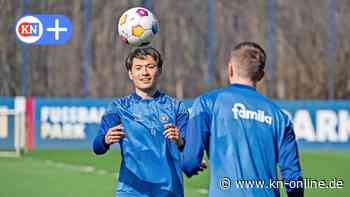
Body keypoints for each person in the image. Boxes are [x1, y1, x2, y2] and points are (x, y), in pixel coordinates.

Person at [182, 42, 304, 196]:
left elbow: (190, 162)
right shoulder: (279, 117)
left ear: (230, 68)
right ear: (261, 75)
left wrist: (188, 164)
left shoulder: (207, 103)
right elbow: (293, 178)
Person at [93, 47, 188, 197]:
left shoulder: (176, 107)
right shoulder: (118, 108)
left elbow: (189, 148)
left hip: (169, 191)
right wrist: (105, 140)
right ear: (130, 73)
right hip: (131, 191)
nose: (144, 73)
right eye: (138, 68)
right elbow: (97, 147)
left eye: (150, 67)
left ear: (159, 70)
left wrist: (180, 140)